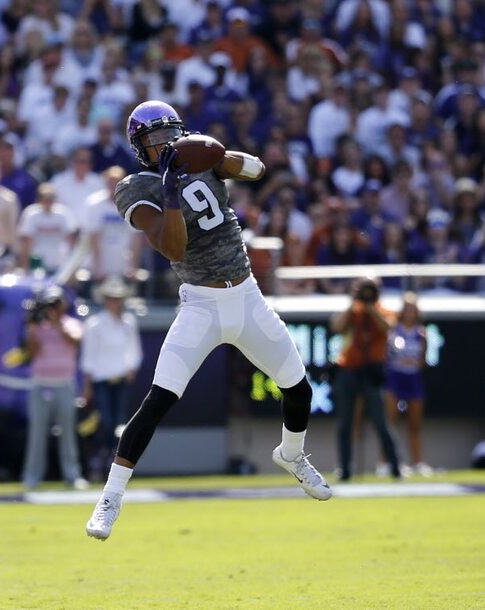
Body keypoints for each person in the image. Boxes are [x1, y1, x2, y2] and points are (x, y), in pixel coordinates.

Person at [86, 101, 331, 542]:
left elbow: (255, 170)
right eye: (152, 140)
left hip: (249, 296)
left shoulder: (199, 157)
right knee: (157, 402)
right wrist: (171, 188)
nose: (163, 146)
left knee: (298, 387)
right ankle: (110, 498)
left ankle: (291, 455)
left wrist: (219, 156)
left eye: (168, 136)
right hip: (201, 304)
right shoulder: (135, 186)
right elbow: (174, 249)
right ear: (139, 147)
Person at [330, 276, 401, 481]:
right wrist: (355, 304)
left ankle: (395, 466)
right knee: (345, 422)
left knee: (381, 422)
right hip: (348, 370)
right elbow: (337, 326)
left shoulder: (382, 310)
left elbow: (387, 326)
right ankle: (344, 468)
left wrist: (371, 308)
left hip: (372, 371)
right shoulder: (354, 310)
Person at [22, 286, 88, 491]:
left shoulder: (72, 323)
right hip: (40, 384)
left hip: (64, 385)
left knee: (68, 434)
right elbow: (32, 352)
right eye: (50, 304)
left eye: (56, 304)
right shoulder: (38, 327)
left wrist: (57, 322)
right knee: (37, 434)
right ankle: (32, 477)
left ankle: (73, 475)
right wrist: (31, 325)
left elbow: (75, 341)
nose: (53, 308)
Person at [80, 277, 142, 481]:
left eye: (119, 298)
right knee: (105, 422)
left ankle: (114, 465)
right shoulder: (94, 324)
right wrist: (87, 385)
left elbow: (134, 351)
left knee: (119, 425)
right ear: (106, 300)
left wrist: (131, 368)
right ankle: (101, 459)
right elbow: (89, 356)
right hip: (101, 380)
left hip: (121, 381)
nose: (116, 302)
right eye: (112, 298)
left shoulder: (128, 322)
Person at [384, 293, 432, 477]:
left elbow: (423, 360)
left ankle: (418, 463)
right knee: (390, 423)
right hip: (395, 379)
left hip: (413, 380)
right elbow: (387, 356)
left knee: (415, 424)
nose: (410, 313)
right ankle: (386, 462)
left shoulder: (422, 333)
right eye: (407, 309)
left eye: (413, 309)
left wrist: (414, 363)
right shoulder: (393, 331)